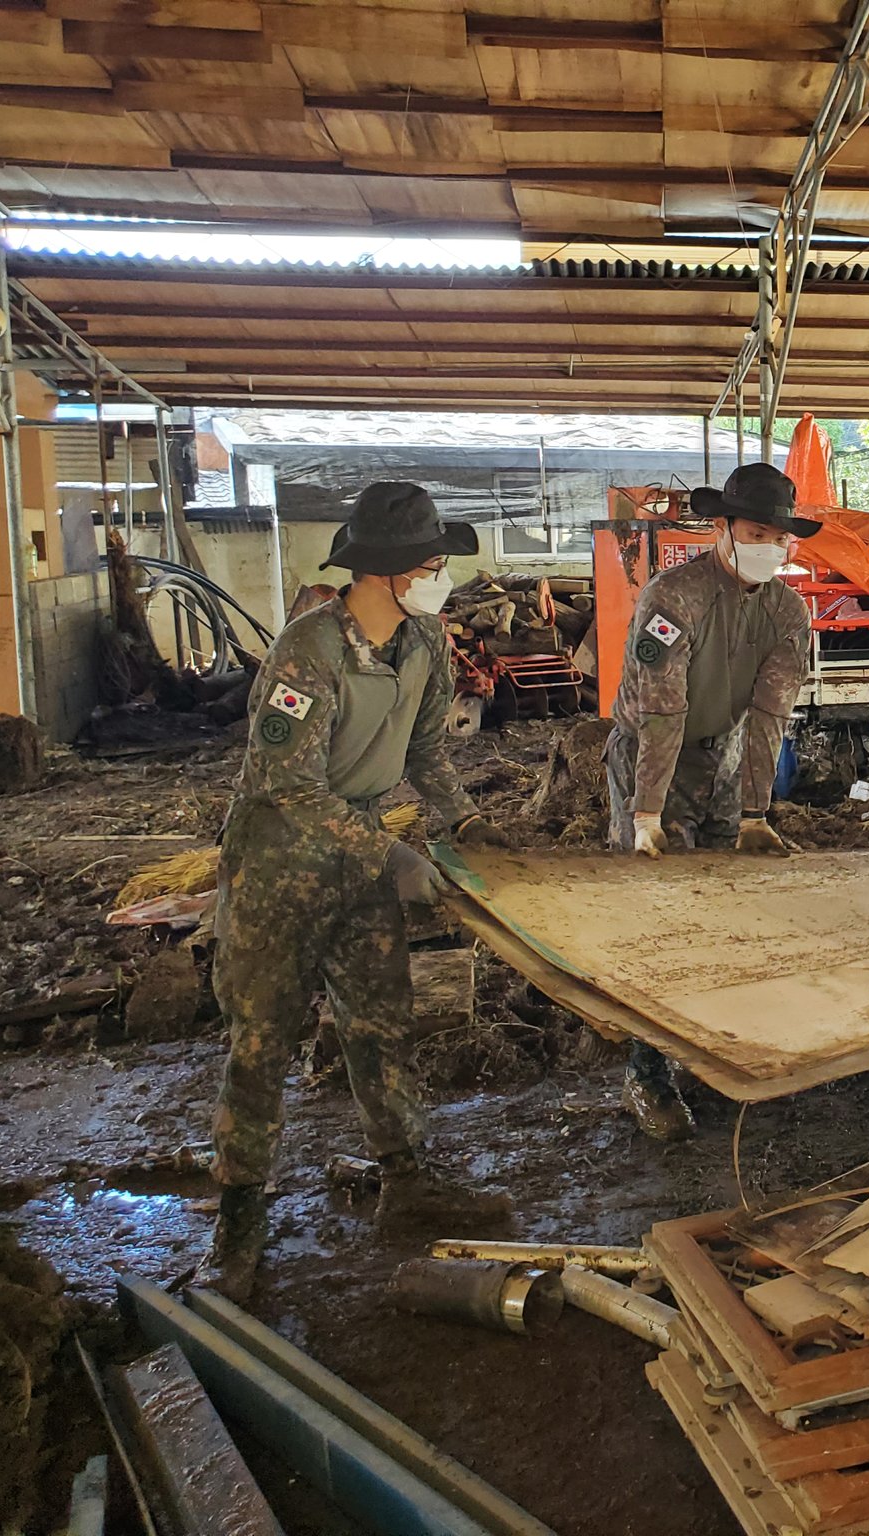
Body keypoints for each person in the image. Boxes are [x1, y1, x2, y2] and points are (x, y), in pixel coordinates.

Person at [202, 482, 513, 1300]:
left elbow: (426, 753)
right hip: (277, 866)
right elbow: (286, 788)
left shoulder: (426, 642)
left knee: (381, 1023)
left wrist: (467, 821)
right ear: (382, 572)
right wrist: (396, 860)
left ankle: (406, 1180)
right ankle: (238, 1219)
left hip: (362, 854)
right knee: (261, 1041)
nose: (441, 577)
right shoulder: (307, 651)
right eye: (433, 564)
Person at [603, 461, 815, 1138]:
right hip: (648, 760)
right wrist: (645, 817)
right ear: (722, 528)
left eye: (780, 538)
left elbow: (769, 716)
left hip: (721, 758)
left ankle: (718, 1049)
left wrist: (754, 813)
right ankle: (647, 1074)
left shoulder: (786, 610)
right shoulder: (674, 597)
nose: (770, 548)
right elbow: (662, 715)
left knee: (729, 907)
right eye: (756, 532)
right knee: (656, 915)